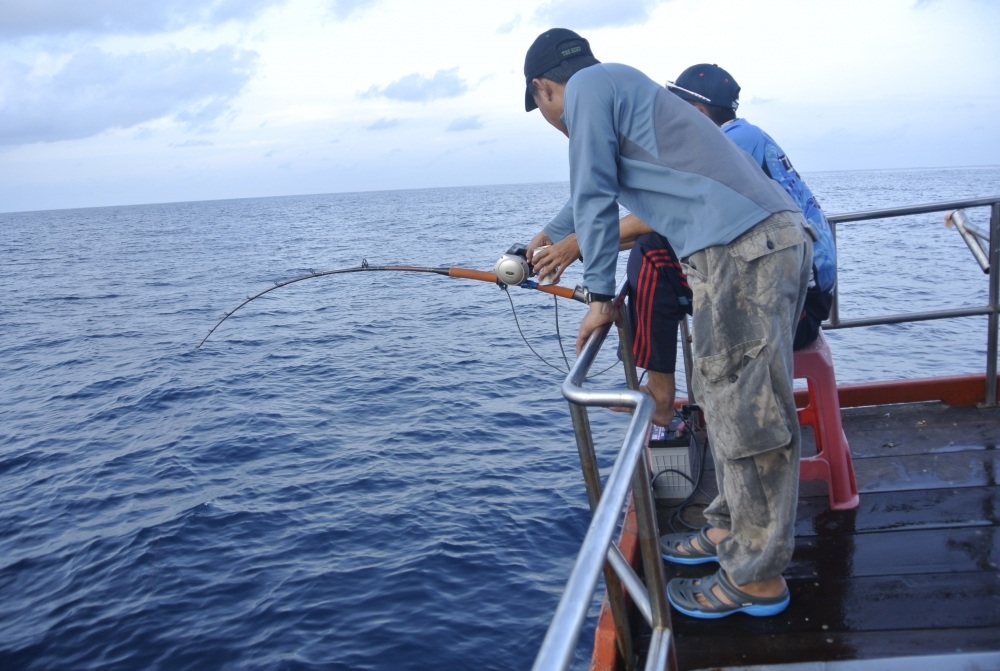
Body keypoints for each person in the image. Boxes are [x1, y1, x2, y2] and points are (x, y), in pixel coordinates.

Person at [522, 28, 813, 618]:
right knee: (723, 398)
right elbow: (591, 188)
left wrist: (602, 295)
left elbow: (596, 192)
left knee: (750, 415)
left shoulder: (586, 92)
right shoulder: (618, 84)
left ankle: (756, 577)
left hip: (743, 249)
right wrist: (551, 235)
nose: (555, 121)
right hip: (742, 248)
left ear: (544, 89)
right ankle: (728, 528)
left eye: (544, 110)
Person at [667, 63, 837, 350]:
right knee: (659, 254)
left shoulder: (734, 141)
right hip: (798, 296)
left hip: (799, 311)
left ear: (697, 113)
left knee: (652, 254)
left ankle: (656, 384)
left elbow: (678, 204)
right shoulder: (745, 135)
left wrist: (585, 243)